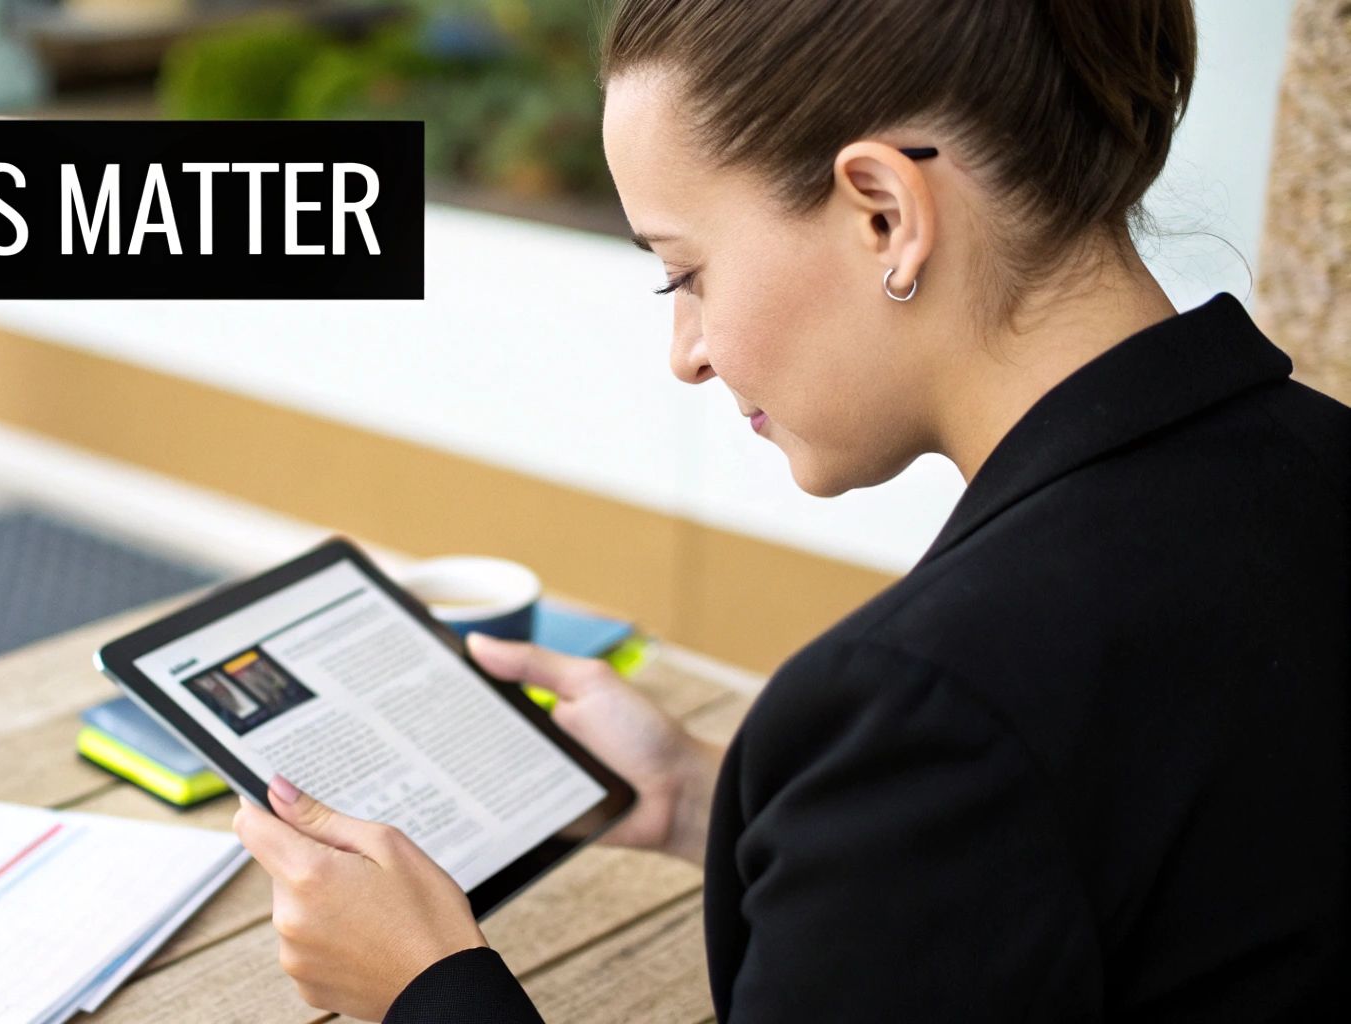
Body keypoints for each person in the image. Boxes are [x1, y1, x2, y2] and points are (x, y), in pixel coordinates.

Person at [231, 0, 1351, 1019]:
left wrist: (425, 989)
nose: (688, 353)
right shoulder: (1319, 465)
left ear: (882, 212)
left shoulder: (930, 701)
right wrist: (706, 799)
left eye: (683, 274)